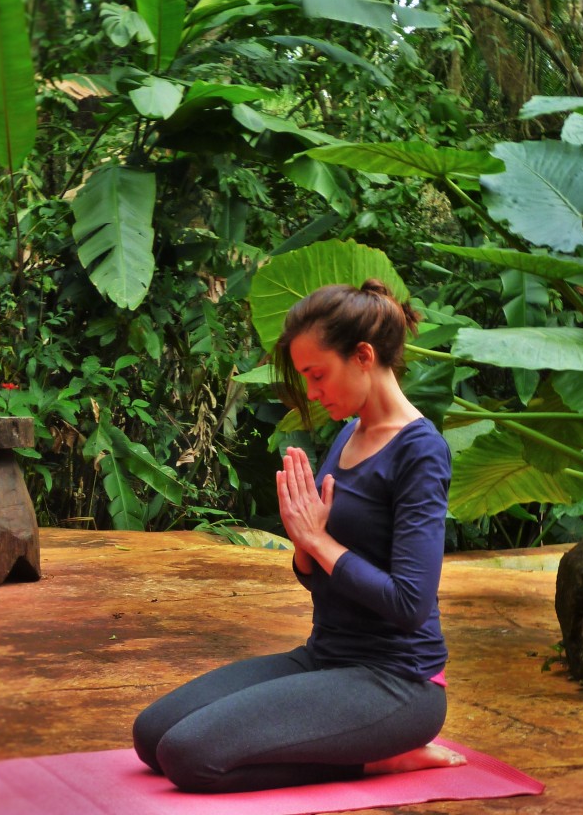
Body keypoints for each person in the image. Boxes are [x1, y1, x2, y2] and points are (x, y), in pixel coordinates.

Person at [132, 279, 465, 793]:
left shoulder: (420, 452)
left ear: (363, 356)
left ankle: (376, 760)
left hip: (398, 682)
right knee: (151, 735)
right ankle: (355, 750)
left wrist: (321, 543)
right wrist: (306, 548)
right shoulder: (348, 434)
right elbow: (322, 577)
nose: (310, 393)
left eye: (317, 374)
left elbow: (410, 603)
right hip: (325, 658)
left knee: (189, 756)